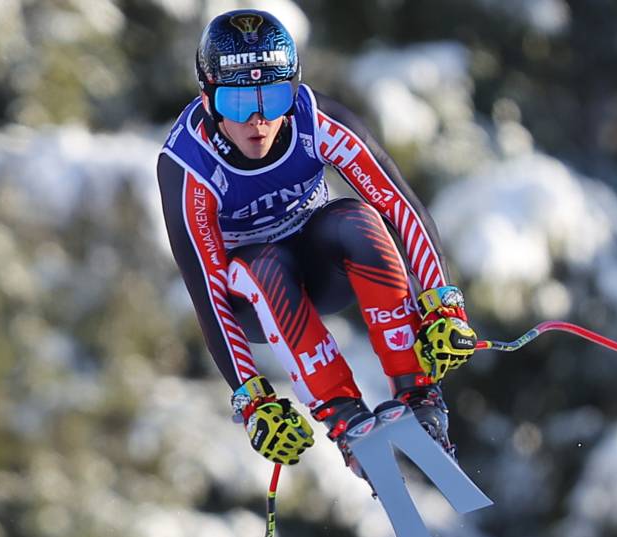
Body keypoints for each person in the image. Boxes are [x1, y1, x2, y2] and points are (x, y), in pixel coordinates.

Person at [156, 9, 478, 475]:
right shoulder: (187, 166)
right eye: (239, 104)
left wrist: (444, 303)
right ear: (207, 99)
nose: (260, 122)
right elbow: (207, 292)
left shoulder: (315, 119)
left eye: (274, 97)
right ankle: (344, 417)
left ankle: (418, 392)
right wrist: (251, 397)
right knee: (262, 264)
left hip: (323, 268)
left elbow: (399, 206)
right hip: (256, 299)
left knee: (358, 219)